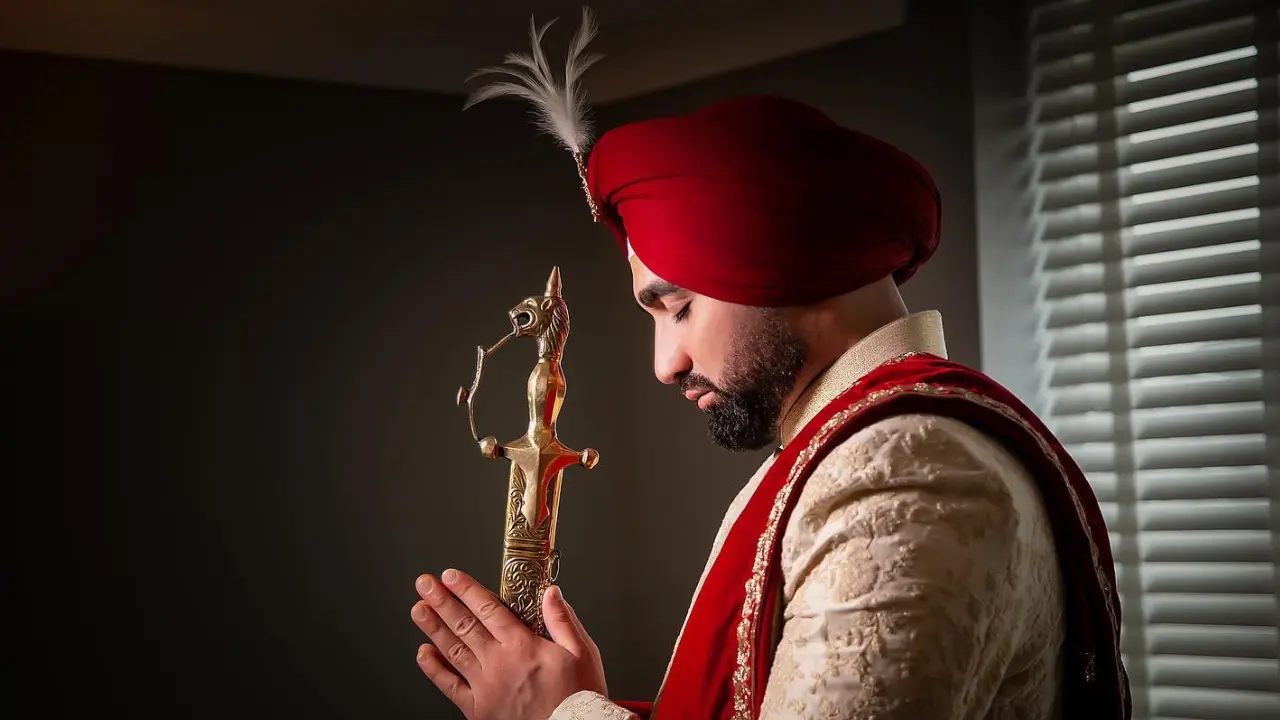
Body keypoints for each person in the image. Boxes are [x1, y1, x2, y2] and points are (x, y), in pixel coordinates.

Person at [408, 12, 1130, 720]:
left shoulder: (904, 468)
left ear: (777, 267)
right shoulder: (851, 451)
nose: (667, 364)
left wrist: (556, 716)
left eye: (680, 307)